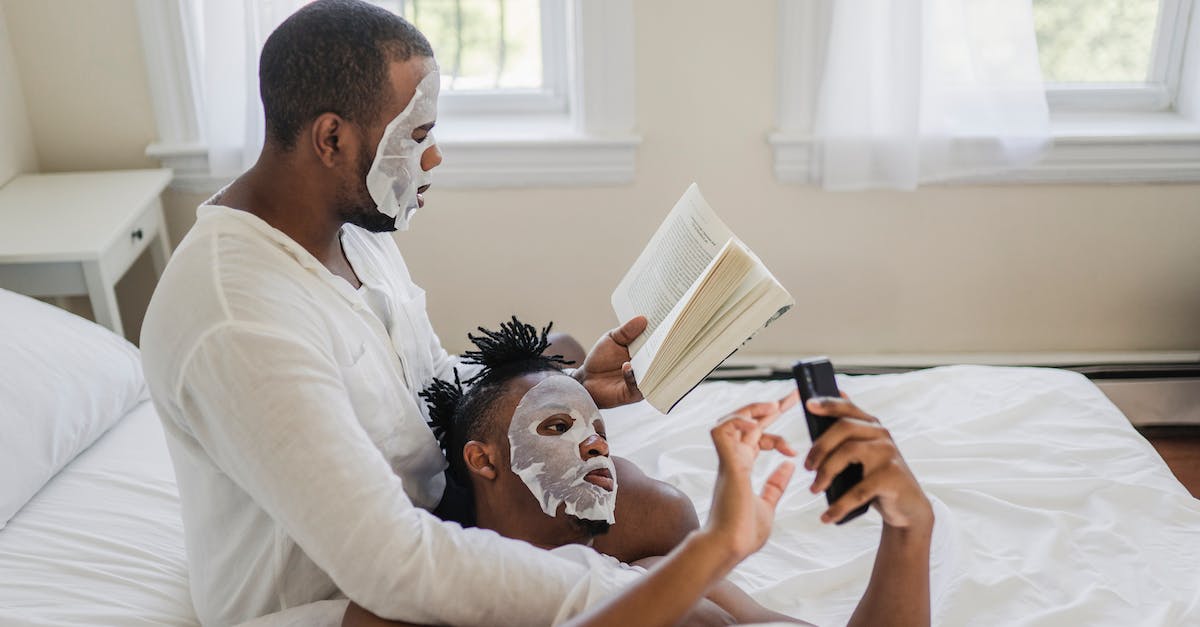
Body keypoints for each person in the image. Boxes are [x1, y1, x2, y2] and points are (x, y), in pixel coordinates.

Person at [140, 1, 705, 625]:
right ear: (332, 139)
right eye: (416, 135)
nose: (433, 158)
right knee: (680, 607)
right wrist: (613, 597)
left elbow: (427, 379)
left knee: (658, 507)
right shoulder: (238, 320)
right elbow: (391, 564)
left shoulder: (354, 230)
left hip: (422, 510)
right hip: (338, 593)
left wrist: (567, 391)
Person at [344, 317, 934, 627]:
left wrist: (909, 531)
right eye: (557, 428)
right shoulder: (424, 596)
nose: (596, 447)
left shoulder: (651, 569)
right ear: (483, 459)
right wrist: (718, 546)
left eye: (600, 433)